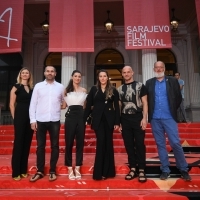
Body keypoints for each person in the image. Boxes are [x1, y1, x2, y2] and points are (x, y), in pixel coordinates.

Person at [145, 61, 191, 181]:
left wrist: (171, 109)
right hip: (155, 118)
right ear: (154, 69)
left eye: (161, 67)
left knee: (175, 143)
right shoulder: (149, 83)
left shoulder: (172, 81)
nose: (159, 69)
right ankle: (165, 169)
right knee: (160, 145)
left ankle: (183, 168)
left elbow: (178, 98)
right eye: (157, 67)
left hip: (169, 117)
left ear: (164, 68)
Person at [29, 66, 65, 182]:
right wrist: (32, 120)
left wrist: (63, 105)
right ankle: (40, 171)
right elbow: (33, 104)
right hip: (40, 120)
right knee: (40, 146)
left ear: (55, 73)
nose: (50, 73)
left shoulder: (60, 87)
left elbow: (65, 102)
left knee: (55, 146)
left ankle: (52, 171)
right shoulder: (38, 86)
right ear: (44, 73)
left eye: (52, 71)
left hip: (54, 119)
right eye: (48, 71)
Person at [84, 69, 120, 180]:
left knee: (108, 144)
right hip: (97, 120)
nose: (103, 78)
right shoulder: (94, 89)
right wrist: (84, 119)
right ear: (98, 78)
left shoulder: (113, 90)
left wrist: (117, 122)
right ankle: (99, 173)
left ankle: (108, 172)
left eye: (105, 76)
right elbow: (89, 104)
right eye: (101, 76)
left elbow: (117, 107)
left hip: (109, 120)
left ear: (107, 77)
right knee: (101, 142)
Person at [117, 66, 148, 183]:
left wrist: (144, 118)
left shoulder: (140, 86)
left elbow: (145, 103)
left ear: (132, 72)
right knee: (129, 145)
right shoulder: (119, 89)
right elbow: (119, 107)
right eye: (124, 72)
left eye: (128, 72)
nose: (126, 74)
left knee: (140, 144)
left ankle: (141, 169)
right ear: (122, 74)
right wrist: (118, 122)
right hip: (125, 119)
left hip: (137, 117)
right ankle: (133, 168)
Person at [61, 70, 87, 180]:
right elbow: (63, 106)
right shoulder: (66, 90)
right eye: (75, 76)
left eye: (79, 76)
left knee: (80, 142)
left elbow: (85, 106)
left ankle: (77, 167)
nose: (77, 78)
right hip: (70, 116)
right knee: (69, 142)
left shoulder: (84, 90)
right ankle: (69, 167)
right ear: (72, 77)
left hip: (81, 116)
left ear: (81, 78)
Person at [9, 67, 34, 181]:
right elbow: (11, 104)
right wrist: (15, 118)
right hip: (19, 117)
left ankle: (23, 170)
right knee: (19, 143)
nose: (25, 74)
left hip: (30, 118)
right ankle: (16, 172)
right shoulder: (16, 87)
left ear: (29, 75)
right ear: (20, 75)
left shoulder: (32, 88)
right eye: (23, 73)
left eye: (26, 73)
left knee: (26, 143)